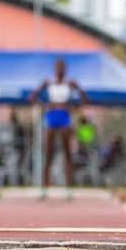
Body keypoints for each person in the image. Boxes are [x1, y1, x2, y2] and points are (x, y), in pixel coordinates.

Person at [30, 58, 89, 197]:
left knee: (67, 153)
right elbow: (32, 97)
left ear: (66, 70)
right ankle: (44, 189)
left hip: (64, 117)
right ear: (55, 70)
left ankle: (69, 189)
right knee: (48, 153)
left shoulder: (70, 83)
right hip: (51, 117)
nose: (60, 70)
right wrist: (44, 106)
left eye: (63, 68)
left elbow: (85, 100)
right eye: (58, 68)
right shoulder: (48, 82)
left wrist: (73, 106)